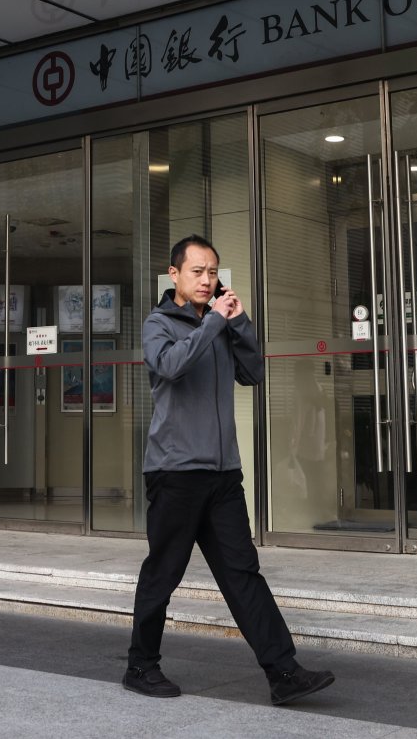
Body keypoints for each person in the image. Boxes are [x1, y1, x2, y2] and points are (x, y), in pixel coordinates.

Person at [123, 236, 335, 706]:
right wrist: (215, 322)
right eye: (197, 271)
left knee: (244, 573)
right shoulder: (158, 324)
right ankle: (141, 665)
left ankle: (283, 672)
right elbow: (171, 366)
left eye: (213, 271)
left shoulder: (219, 322)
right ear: (173, 274)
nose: (206, 279)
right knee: (164, 572)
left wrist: (239, 323)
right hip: (175, 471)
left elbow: (253, 373)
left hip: (222, 475)